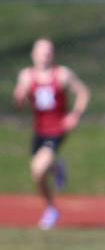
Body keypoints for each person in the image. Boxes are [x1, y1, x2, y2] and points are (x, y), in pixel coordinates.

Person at [12, 38, 91, 231]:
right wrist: (20, 96)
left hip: (57, 130)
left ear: (52, 54)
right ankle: (51, 204)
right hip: (39, 131)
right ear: (33, 54)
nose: (44, 55)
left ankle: (51, 204)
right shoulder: (27, 75)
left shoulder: (62, 74)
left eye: (48, 51)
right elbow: (18, 101)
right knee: (37, 175)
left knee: (39, 169)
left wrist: (75, 115)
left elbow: (83, 92)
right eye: (41, 51)